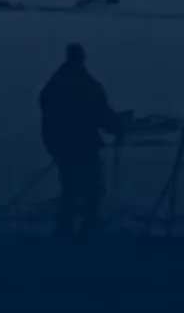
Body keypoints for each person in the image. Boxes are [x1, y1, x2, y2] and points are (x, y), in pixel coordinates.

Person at [37, 43, 121, 239]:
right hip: (80, 145)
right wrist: (115, 127)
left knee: (70, 187)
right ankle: (86, 228)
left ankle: (66, 228)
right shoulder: (85, 85)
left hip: (63, 145)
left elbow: (48, 111)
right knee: (90, 187)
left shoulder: (55, 84)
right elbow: (102, 112)